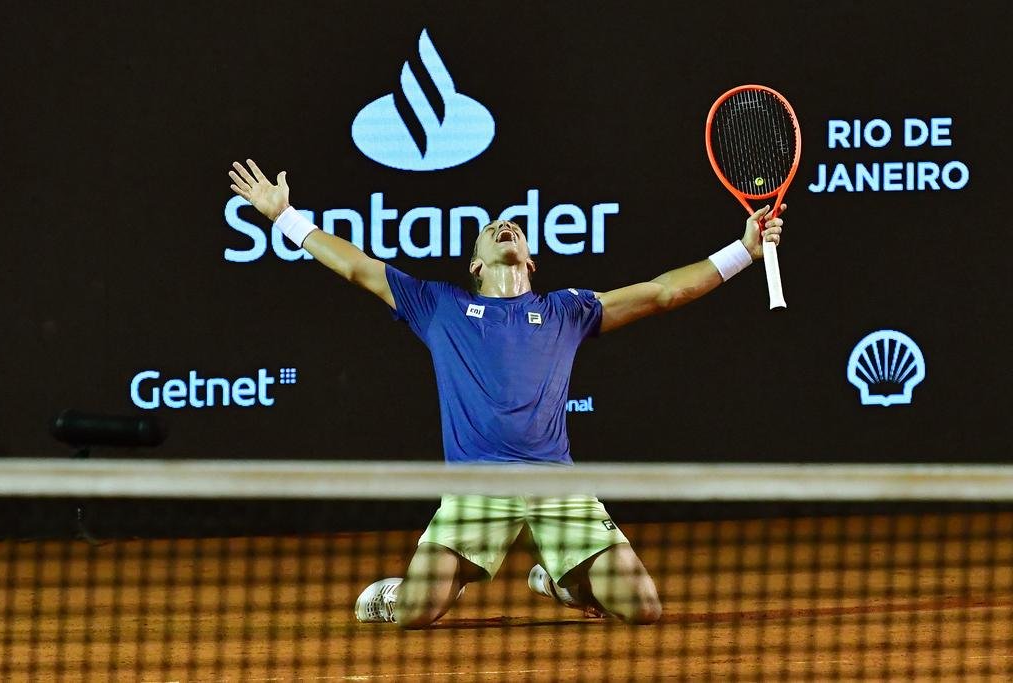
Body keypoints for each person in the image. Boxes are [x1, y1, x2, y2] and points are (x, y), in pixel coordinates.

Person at [228, 159, 784, 628]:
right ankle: (405, 591)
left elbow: (662, 293)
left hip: (554, 483)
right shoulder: (438, 307)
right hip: (477, 486)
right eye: (492, 227)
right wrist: (285, 217)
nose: (505, 226)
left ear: (530, 260)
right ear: (475, 264)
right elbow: (357, 268)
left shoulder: (567, 309)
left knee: (644, 608)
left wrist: (743, 251)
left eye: (513, 226)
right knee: (419, 613)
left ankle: (562, 582)